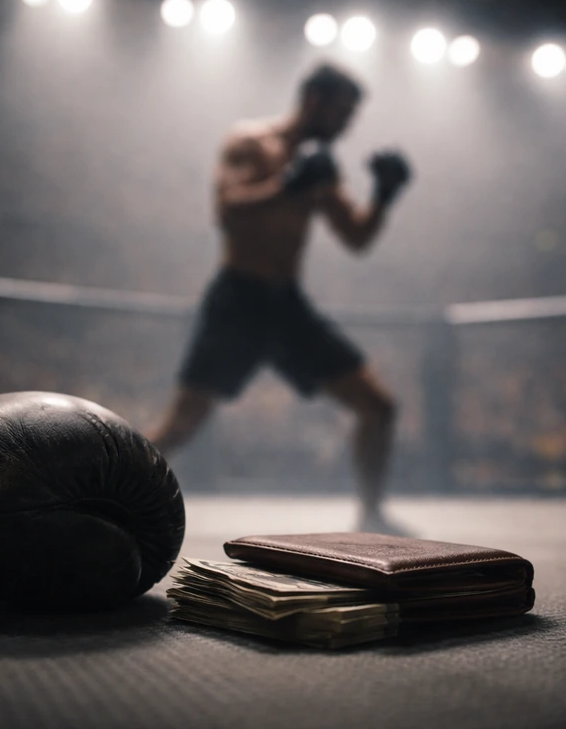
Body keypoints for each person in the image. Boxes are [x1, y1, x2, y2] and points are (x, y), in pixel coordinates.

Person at [148, 63, 413, 533]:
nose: (348, 126)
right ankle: (101, 496)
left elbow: (356, 236)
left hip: (287, 304)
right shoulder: (250, 142)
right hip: (238, 297)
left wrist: (384, 195)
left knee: (379, 407)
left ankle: (372, 514)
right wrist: (287, 185)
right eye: (344, 113)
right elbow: (227, 210)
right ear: (315, 100)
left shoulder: (322, 166)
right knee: (181, 426)